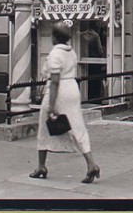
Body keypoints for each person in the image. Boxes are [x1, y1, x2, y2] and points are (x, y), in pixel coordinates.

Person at [30, 22, 101, 183]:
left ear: (55, 37)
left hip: (59, 90)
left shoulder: (55, 54)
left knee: (44, 126)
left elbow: (54, 81)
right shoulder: (71, 52)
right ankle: (91, 163)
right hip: (72, 89)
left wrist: (51, 105)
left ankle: (41, 166)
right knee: (77, 126)